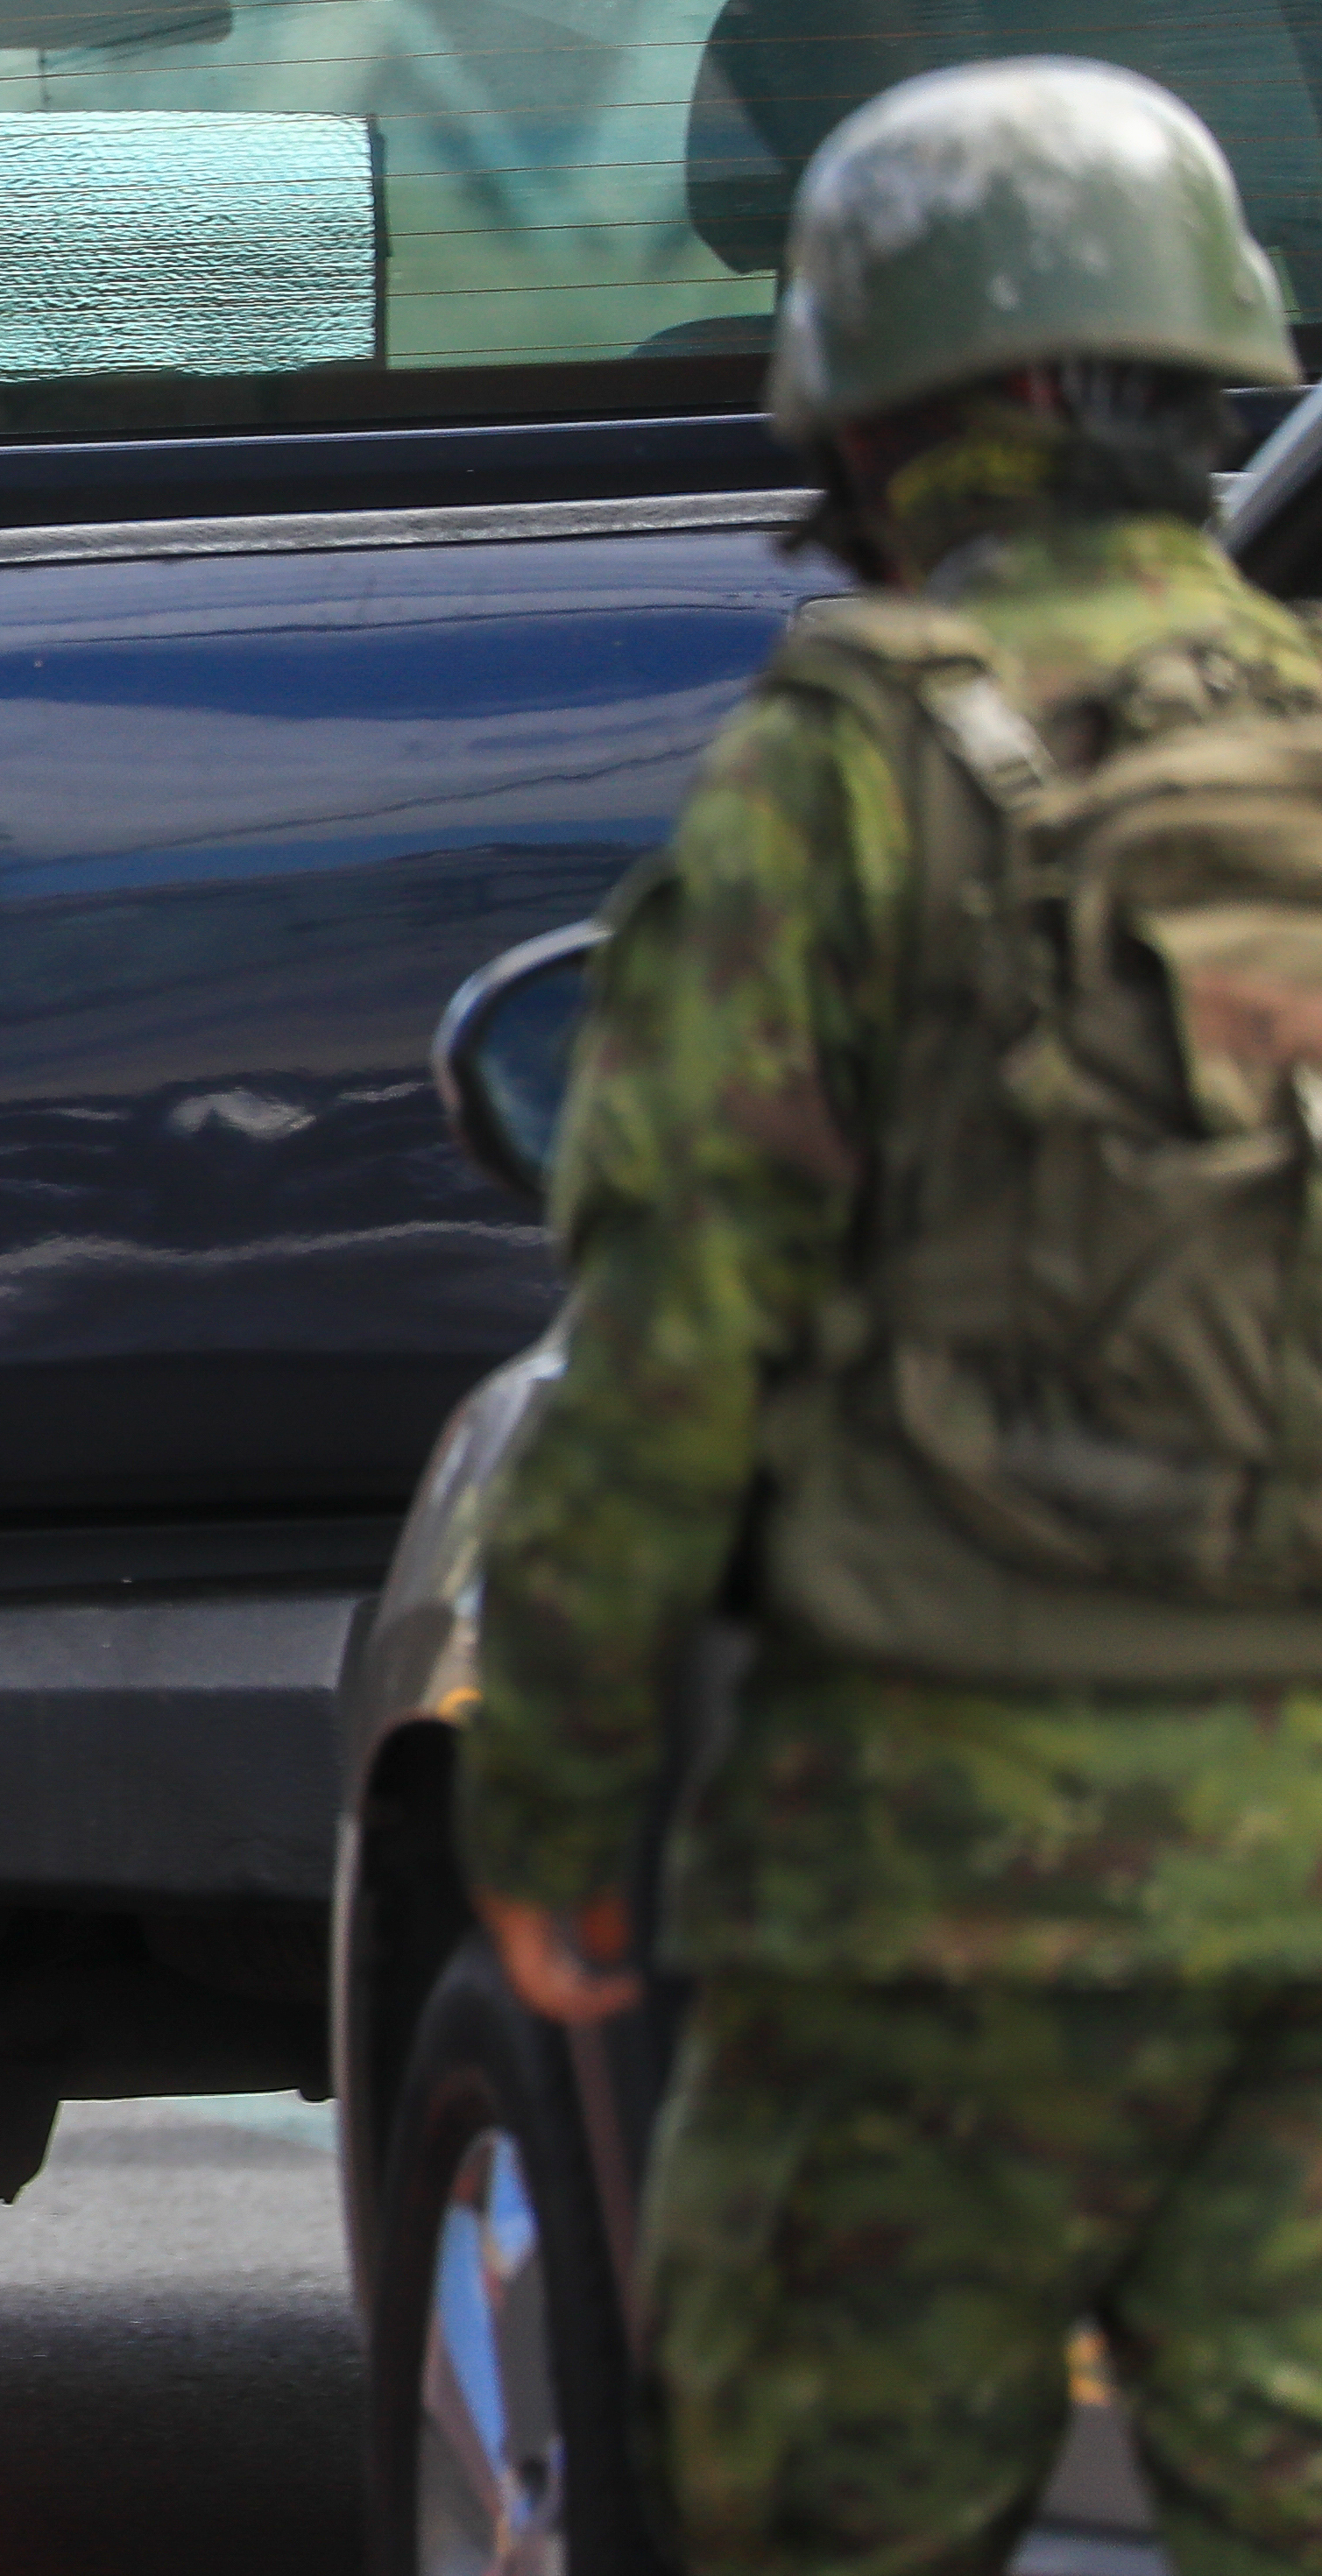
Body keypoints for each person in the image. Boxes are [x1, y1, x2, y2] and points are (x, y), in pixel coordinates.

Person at [461, 56, 1322, 2574]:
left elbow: (662, 1362)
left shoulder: (837, 776)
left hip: (935, 1896)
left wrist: (554, 1822)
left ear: (874, 398)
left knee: (828, 2501)